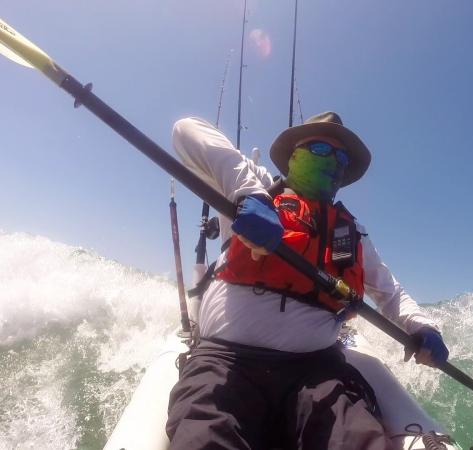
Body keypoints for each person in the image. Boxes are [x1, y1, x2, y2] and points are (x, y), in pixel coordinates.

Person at [166, 112, 450, 450]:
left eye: (340, 157)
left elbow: (391, 293)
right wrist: (249, 195)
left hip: (316, 372)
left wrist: (422, 326)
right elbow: (185, 130)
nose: (332, 161)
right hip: (227, 362)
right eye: (319, 148)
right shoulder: (253, 186)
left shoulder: (354, 233)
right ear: (294, 156)